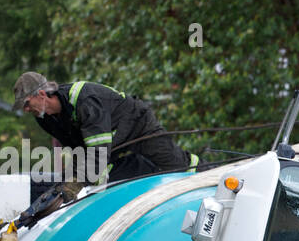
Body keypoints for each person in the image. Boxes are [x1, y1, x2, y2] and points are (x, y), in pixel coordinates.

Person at [12, 72, 197, 186]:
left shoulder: (83, 99)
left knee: (177, 165)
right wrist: (73, 179)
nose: (26, 110)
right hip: (111, 141)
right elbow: (77, 149)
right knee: (109, 175)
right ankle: (143, 169)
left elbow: (98, 152)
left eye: (27, 103)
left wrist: (83, 182)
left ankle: (213, 173)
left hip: (138, 125)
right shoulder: (45, 118)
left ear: (42, 94)